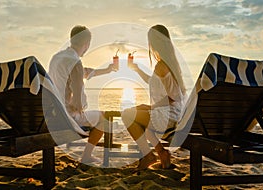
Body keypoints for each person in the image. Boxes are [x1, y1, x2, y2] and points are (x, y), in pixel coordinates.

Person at [121, 24, 187, 169]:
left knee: (127, 115)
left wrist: (151, 106)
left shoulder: (162, 66)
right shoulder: (169, 64)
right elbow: (153, 82)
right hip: (173, 114)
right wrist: (137, 69)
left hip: (168, 116)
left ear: (153, 43)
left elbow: (174, 97)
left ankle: (149, 155)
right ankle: (161, 154)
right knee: (137, 117)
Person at [48, 25, 116, 163]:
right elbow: (77, 104)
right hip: (67, 118)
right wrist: (80, 106)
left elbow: (82, 72)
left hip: (52, 114)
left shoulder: (57, 58)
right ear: (87, 44)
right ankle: (87, 156)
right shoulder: (75, 62)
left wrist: (107, 70)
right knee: (104, 118)